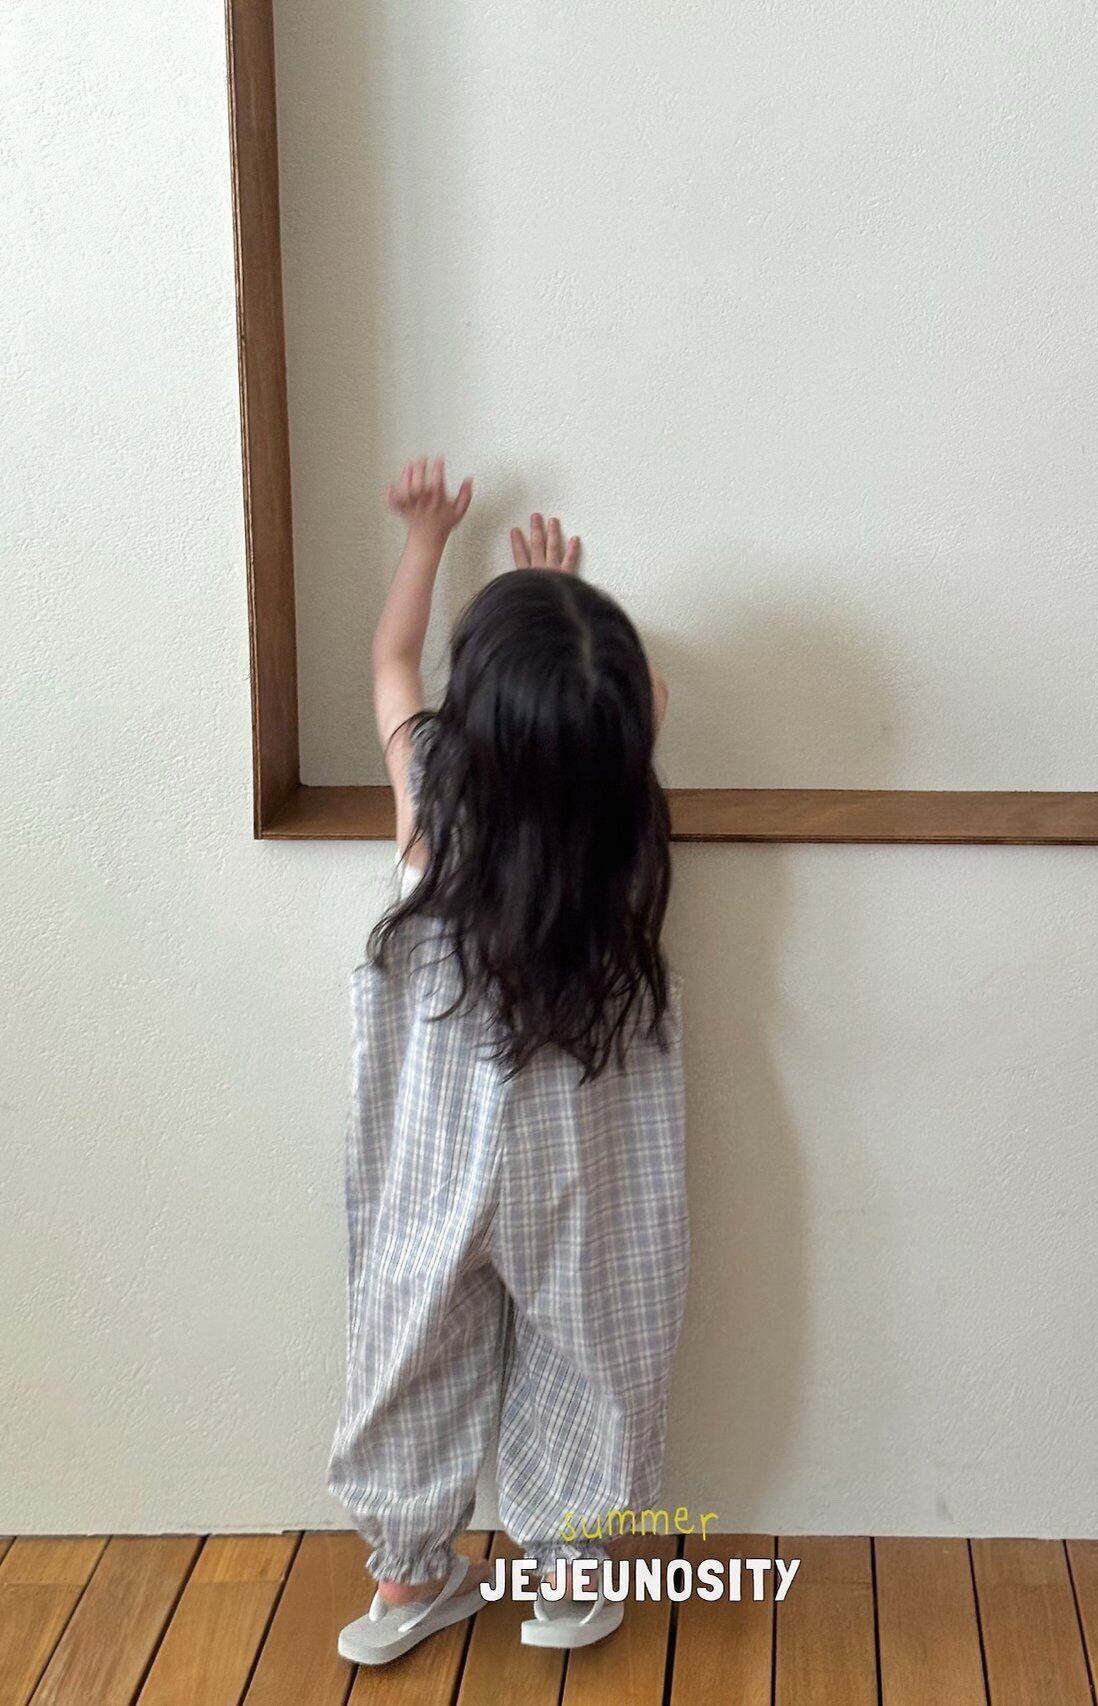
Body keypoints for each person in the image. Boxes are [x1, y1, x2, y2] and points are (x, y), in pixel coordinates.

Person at [327, 457, 689, 1663]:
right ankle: (569, 1575)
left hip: (434, 1138)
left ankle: (405, 1579)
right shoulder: (618, 827)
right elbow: (641, 698)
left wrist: (431, 543)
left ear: (470, 717)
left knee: (411, 1335)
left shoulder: (430, 805)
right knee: (591, 1331)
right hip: (584, 1135)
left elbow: (390, 660)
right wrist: (563, 611)